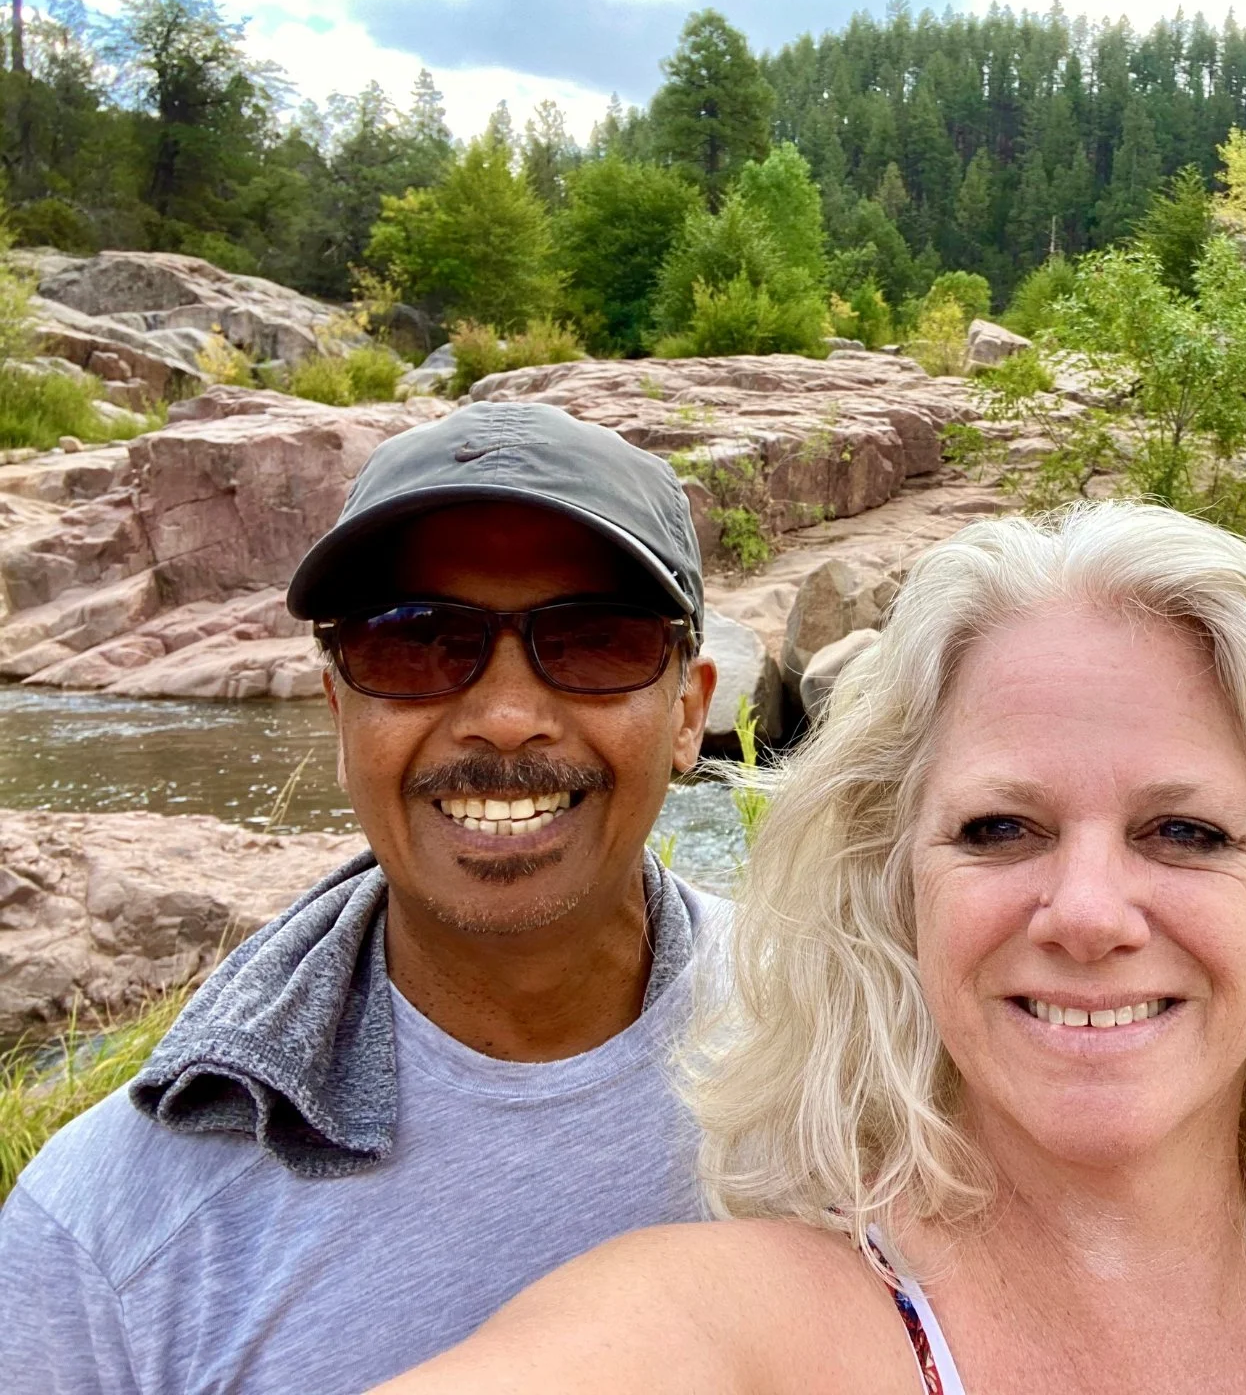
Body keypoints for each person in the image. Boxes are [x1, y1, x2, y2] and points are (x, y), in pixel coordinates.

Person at [384, 501, 1246, 1395]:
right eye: (1000, 830)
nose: (1087, 914)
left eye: (1184, 832)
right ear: (898, 898)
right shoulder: (740, 1336)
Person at [0, 401, 727, 1394]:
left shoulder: (864, 1047)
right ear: (340, 713)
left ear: (688, 714)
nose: (506, 719)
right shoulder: (102, 1238)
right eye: (414, 640)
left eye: (594, 640)